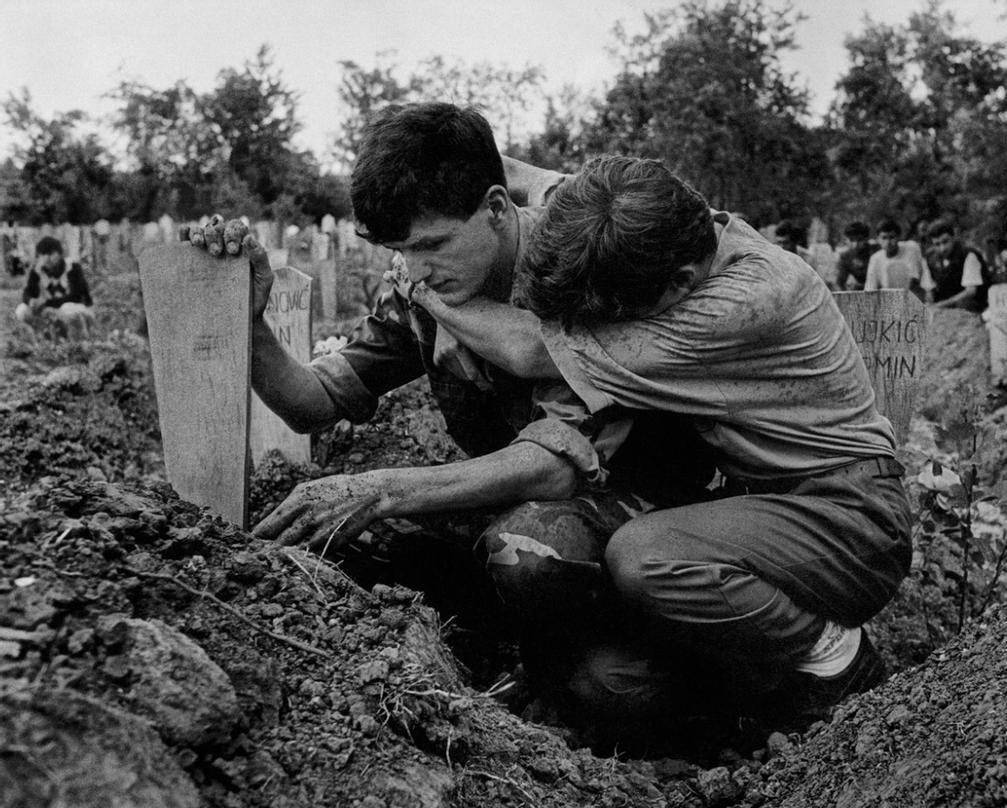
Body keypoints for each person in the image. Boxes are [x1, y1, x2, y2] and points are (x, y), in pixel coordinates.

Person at [185, 103, 715, 716]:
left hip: (647, 515)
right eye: (400, 250)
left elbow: (559, 466)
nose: (417, 269)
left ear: (495, 207)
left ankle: (609, 670)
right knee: (341, 534)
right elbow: (314, 402)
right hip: (521, 502)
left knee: (538, 565)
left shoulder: (581, 262)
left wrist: (379, 487)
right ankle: (503, 652)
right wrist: (250, 321)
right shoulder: (419, 281)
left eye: (432, 245)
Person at [410, 156, 912, 726]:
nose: (604, 324)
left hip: (847, 521)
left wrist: (424, 293)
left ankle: (832, 654)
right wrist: (430, 215)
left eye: (617, 318)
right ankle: (749, 694)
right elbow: (522, 172)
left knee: (644, 558)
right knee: (612, 685)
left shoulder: (738, 304)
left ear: (680, 284)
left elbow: (528, 349)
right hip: (755, 510)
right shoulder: (661, 223)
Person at [15, 236, 95, 340]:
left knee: (67, 309)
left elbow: (77, 297)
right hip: (52, 313)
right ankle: (42, 340)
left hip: (80, 313)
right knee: (22, 310)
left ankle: (80, 344)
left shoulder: (73, 267)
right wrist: (31, 301)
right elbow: (27, 293)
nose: (47, 258)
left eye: (51, 254)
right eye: (43, 254)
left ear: (60, 254)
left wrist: (46, 303)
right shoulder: (37, 271)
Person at [926, 219, 988, 311]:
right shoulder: (931, 258)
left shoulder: (968, 254)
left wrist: (939, 305)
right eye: (937, 244)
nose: (942, 248)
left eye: (945, 242)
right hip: (944, 308)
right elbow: (930, 288)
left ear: (953, 237)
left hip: (973, 307)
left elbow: (970, 292)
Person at [864, 219, 934, 299]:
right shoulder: (875, 259)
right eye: (884, 238)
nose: (888, 242)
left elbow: (914, 281)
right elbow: (870, 290)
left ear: (899, 237)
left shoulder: (911, 248)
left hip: (914, 296)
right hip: (890, 299)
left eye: (891, 237)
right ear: (878, 239)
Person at [834, 221, 874, 291]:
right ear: (846, 240)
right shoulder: (845, 257)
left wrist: (861, 286)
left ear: (867, 239)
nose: (855, 244)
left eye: (860, 240)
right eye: (852, 240)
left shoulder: (875, 253)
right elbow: (839, 283)